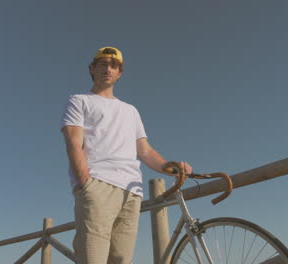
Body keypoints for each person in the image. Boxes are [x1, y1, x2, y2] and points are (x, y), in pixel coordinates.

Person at [60, 47, 192, 264]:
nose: (108, 69)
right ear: (92, 69)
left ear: (119, 73)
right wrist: (86, 184)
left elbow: (145, 151)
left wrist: (173, 167)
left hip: (131, 193)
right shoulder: (79, 100)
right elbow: (73, 143)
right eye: (102, 64)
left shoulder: (131, 110)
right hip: (97, 186)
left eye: (114, 66)